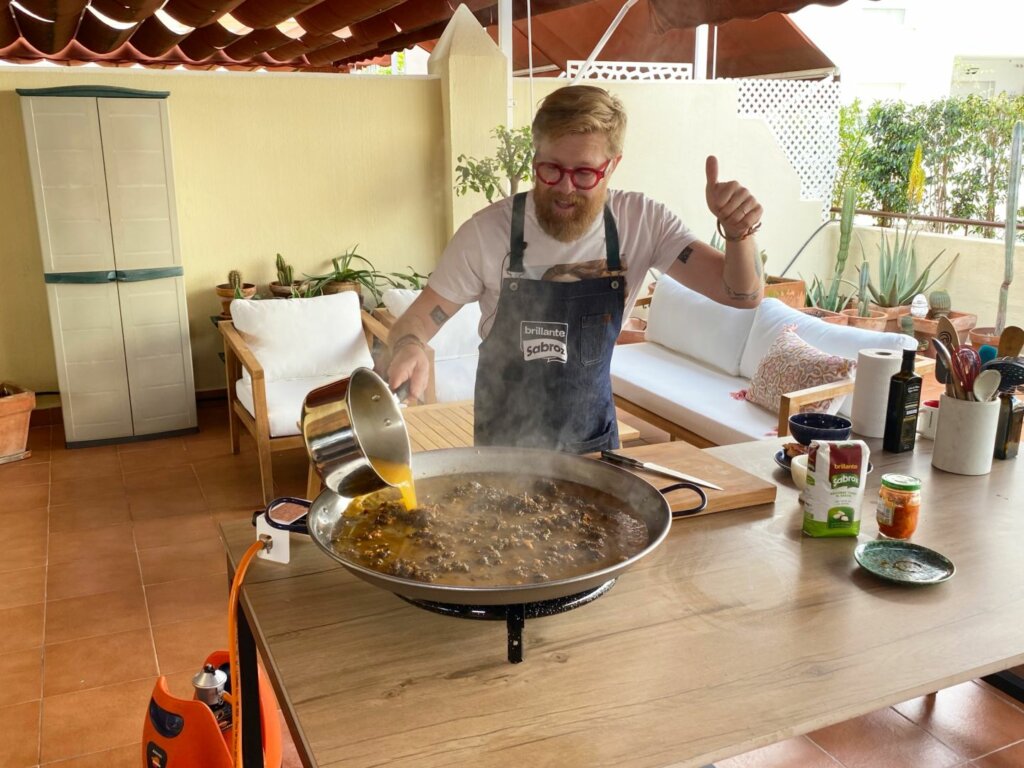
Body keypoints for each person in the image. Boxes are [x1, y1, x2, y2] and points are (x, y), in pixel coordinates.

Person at [386, 84, 763, 453]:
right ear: (535, 159)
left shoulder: (643, 222)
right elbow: (417, 320)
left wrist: (738, 232)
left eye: (584, 173)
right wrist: (409, 345)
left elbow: (740, 294)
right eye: (551, 169)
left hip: (594, 445)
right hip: (504, 453)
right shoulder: (486, 234)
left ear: (613, 165)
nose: (565, 188)